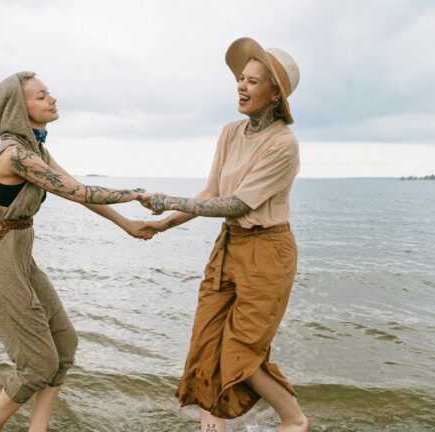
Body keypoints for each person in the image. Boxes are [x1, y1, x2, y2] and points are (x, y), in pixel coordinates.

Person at [0, 71, 154, 432]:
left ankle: (37, 429)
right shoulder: (15, 156)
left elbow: (77, 188)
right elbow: (80, 193)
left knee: (64, 345)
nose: (51, 99)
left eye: (48, 93)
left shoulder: (36, 151)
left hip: (21, 262)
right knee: (38, 364)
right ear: (18, 108)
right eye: (41, 96)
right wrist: (136, 194)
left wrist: (127, 224)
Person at [142, 37, 309, 432]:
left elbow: (237, 204)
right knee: (206, 344)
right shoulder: (230, 132)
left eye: (252, 81)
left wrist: (165, 200)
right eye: (240, 79)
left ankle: (294, 420)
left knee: (240, 353)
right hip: (228, 246)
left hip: (268, 252)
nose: (241, 86)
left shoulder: (283, 143)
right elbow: (211, 193)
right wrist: (164, 224)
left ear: (274, 94)